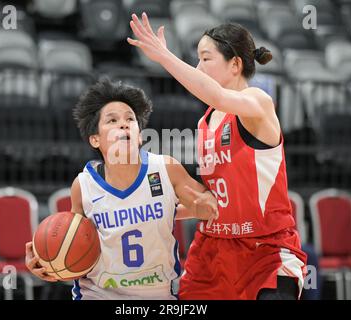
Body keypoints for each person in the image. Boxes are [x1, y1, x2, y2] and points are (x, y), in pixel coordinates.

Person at [128, 13, 307, 300]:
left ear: (235, 64)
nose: (198, 67)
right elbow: (210, 200)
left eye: (205, 58)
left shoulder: (258, 103)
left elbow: (219, 97)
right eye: (196, 60)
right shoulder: (205, 122)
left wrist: (163, 56)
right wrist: (149, 210)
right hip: (213, 252)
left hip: (265, 251)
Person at [25, 79, 218, 300]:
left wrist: (206, 204)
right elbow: (73, 241)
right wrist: (50, 262)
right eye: (112, 120)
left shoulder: (165, 168)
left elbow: (204, 203)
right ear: (95, 139)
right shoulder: (84, 185)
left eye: (130, 119)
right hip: (98, 294)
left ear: (140, 135)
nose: (124, 124)